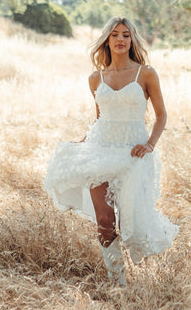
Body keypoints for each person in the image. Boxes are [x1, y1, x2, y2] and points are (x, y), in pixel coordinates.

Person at [44, 16, 178, 286]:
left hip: (132, 154)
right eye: (115, 34)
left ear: (132, 39)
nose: (120, 39)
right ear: (107, 39)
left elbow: (161, 115)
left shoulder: (146, 73)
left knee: (132, 223)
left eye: (126, 35)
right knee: (104, 220)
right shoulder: (96, 78)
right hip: (100, 151)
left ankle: (150, 275)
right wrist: (81, 144)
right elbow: (99, 119)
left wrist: (149, 144)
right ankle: (118, 283)